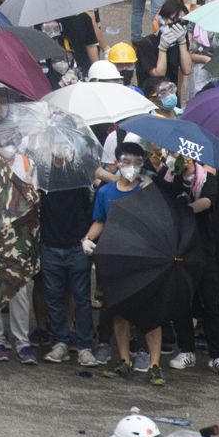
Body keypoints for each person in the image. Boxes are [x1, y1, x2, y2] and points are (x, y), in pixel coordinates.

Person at [85, 141, 165, 386]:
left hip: (145, 259)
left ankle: (154, 365)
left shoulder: (148, 189)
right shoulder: (106, 193)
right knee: (119, 312)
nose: (131, 166)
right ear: (117, 163)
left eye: (136, 162)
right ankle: (123, 360)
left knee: (151, 314)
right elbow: (100, 220)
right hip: (116, 258)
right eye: (126, 161)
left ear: (143, 164)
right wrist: (87, 239)